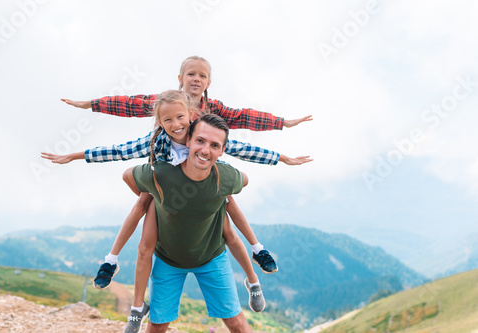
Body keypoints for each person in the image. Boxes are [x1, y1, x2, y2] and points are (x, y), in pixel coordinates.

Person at [42, 90, 312, 332]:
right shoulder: (157, 145)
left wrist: (281, 154)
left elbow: (243, 140)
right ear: (160, 120)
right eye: (168, 120)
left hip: (209, 207)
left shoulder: (206, 133)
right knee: (143, 233)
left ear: (191, 114)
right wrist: (81, 139)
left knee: (227, 215)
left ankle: (256, 258)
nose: (176, 125)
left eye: (181, 118)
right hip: (163, 195)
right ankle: (114, 266)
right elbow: (121, 137)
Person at [60, 55, 312, 281]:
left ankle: (258, 250)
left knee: (227, 202)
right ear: (180, 79)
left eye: (202, 75)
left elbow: (242, 126)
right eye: (191, 73)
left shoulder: (210, 116)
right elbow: (128, 108)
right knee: (142, 209)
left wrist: (282, 137)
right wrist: (90, 108)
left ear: (208, 83)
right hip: (167, 174)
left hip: (201, 169)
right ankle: (111, 261)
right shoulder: (164, 109)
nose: (196, 79)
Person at [133, 113, 255, 332]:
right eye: (200, 141)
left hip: (211, 257)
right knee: (158, 325)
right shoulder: (162, 174)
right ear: (188, 140)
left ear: (222, 151)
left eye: (214, 145)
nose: (206, 150)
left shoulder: (226, 177)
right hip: (168, 260)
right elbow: (128, 176)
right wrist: (157, 199)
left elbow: (244, 180)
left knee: (236, 322)